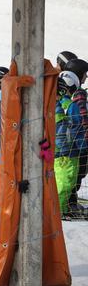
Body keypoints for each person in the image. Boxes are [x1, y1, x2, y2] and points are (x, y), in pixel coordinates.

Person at [54, 71, 85, 216]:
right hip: (65, 151)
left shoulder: (59, 105)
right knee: (65, 182)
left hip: (62, 150)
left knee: (67, 180)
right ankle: (59, 211)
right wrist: (68, 149)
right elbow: (65, 128)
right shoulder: (64, 105)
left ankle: (63, 208)